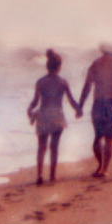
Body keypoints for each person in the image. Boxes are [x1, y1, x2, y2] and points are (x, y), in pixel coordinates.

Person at [77, 43, 112, 178]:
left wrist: (80, 106)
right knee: (109, 139)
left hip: (98, 104)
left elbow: (87, 87)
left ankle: (99, 165)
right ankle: (105, 168)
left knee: (97, 137)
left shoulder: (96, 64)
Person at [27, 49, 80, 185]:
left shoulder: (40, 82)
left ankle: (39, 175)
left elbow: (35, 101)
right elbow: (71, 100)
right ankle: (52, 175)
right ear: (59, 67)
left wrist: (30, 109)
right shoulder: (62, 82)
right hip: (57, 116)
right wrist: (78, 109)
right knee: (54, 147)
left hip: (43, 115)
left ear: (47, 66)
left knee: (41, 147)